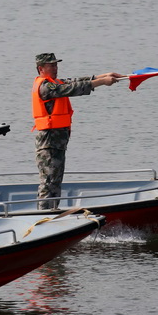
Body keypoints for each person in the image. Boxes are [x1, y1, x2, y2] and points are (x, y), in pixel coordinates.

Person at [32, 52, 125, 209]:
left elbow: (74, 81)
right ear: (41, 68)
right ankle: (43, 215)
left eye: (56, 64)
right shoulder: (46, 86)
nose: (55, 68)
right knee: (48, 182)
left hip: (57, 143)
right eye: (51, 65)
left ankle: (52, 211)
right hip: (49, 143)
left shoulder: (54, 82)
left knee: (55, 181)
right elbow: (71, 88)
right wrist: (102, 82)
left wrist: (104, 75)